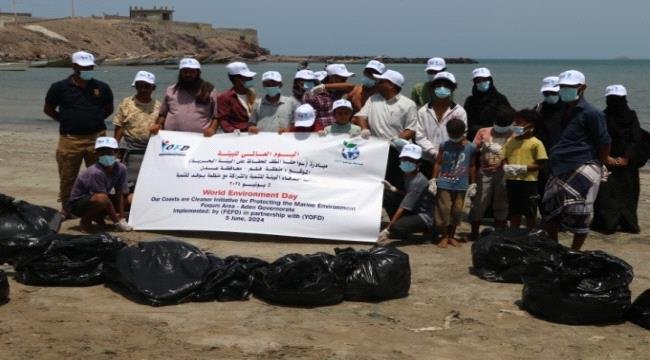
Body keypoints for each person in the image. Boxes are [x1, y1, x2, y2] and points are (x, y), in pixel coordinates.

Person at [542, 70, 615, 250]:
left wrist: (603, 161)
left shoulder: (592, 113)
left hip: (581, 164)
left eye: (570, 87)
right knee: (550, 210)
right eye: (563, 87)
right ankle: (554, 247)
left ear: (582, 88)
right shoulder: (560, 110)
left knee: (581, 212)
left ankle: (574, 251)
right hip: (558, 167)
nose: (565, 90)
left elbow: (604, 140)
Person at [44, 51, 114, 209]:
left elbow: (108, 109)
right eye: (83, 67)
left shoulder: (102, 87)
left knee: (99, 175)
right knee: (67, 177)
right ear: (74, 67)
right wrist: (67, 121)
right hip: (70, 139)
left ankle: (99, 207)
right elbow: (48, 109)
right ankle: (67, 208)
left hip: (97, 139)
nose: (87, 70)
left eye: (90, 67)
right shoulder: (59, 87)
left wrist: (93, 120)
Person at [591, 85, 645, 234]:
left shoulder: (631, 116)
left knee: (628, 193)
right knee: (605, 195)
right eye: (612, 99)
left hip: (627, 164)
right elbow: (599, 138)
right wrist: (605, 157)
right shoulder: (602, 117)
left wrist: (626, 157)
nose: (615, 102)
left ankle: (628, 223)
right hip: (606, 161)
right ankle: (607, 223)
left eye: (618, 99)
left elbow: (636, 138)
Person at [355, 69, 418, 189]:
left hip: (396, 151)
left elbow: (411, 129)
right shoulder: (373, 99)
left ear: (391, 85)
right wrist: (364, 129)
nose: (377, 83)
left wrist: (394, 141)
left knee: (395, 182)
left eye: (381, 81)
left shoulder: (408, 104)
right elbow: (361, 115)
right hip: (375, 149)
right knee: (375, 181)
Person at [65, 137, 132, 233]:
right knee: (102, 198)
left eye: (110, 152)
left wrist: (122, 219)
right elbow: (104, 199)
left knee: (130, 198)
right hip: (77, 204)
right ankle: (85, 221)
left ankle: (98, 217)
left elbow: (120, 193)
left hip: (97, 199)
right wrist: (117, 223)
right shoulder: (95, 172)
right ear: (96, 154)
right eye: (102, 152)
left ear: (117, 153)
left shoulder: (121, 168)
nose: (106, 155)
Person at [429, 119, 477, 247]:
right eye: (451, 135)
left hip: (461, 184)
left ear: (463, 132)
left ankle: (451, 236)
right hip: (445, 182)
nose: (454, 138)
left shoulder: (471, 147)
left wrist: (473, 183)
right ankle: (444, 236)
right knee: (444, 209)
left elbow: (472, 165)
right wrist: (433, 179)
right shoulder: (444, 145)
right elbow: (438, 162)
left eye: (456, 135)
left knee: (457, 211)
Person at [468, 106, 514, 240]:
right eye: (499, 123)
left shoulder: (513, 134)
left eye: (504, 124)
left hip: (504, 173)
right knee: (479, 202)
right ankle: (474, 232)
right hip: (484, 173)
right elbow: (473, 150)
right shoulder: (483, 132)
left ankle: (499, 233)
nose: (501, 127)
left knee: (502, 203)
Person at [113, 71, 159, 196]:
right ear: (135, 86)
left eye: (147, 86)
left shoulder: (159, 106)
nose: (143, 89)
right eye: (140, 86)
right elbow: (119, 127)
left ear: (153, 88)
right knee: (127, 182)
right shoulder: (126, 103)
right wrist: (115, 148)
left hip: (150, 150)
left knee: (148, 181)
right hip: (130, 148)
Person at [378, 144, 434, 243]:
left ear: (419, 163)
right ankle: (399, 229)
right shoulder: (407, 175)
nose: (406, 162)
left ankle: (427, 232)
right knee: (388, 195)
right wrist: (393, 189)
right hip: (414, 209)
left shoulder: (418, 181)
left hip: (424, 217)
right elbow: (408, 194)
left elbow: (403, 207)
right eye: (404, 159)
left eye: (411, 160)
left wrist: (388, 229)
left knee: (396, 226)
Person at [415, 71, 467, 177]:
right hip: (426, 161)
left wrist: (447, 154)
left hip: (451, 160)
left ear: (453, 89)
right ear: (432, 88)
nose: (442, 88)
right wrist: (434, 153)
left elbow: (463, 134)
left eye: (446, 85)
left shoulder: (460, 111)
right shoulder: (423, 111)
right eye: (438, 85)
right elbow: (420, 137)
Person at [502, 109, 548, 229]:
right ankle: (514, 234)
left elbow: (541, 163)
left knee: (529, 212)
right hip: (512, 180)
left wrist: (523, 168)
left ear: (530, 125)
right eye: (515, 122)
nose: (516, 125)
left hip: (528, 182)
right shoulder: (510, 141)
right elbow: (504, 157)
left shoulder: (536, 143)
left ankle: (529, 235)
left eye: (519, 122)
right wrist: (506, 166)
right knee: (514, 211)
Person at [151, 58, 218, 136]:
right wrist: (158, 125)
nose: (188, 74)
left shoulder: (209, 90)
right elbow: (162, 114)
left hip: (200, 139)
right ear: (180, 73)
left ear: (198, 72)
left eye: (192, 71)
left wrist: (212, 129)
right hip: (171, 139)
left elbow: (216, 117)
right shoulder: (171, 90)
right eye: (185, 71)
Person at [534, 76, 564, 210]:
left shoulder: (568, 109)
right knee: (542, 188)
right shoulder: (538, 109)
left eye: (553, 93)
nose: (550, 96)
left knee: (562, 189)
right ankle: (546, 218)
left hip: (562, 156)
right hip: (542, 156)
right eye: (547, 93)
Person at [317, 60, 386, 112]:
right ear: (363, 72)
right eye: (367, 72)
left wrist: (323, 86)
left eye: (373, 74)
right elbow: (349, 86)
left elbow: (349, 86)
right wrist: (322, 86)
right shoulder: (356, 90)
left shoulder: (384, 93)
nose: (346, 80)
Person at [464, 67, 512, 140]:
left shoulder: (500, 99)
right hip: (474, 139)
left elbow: (509, 117)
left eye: (485, 80)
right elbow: (466, 122)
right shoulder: (470, 101)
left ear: (490, 80)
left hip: (496, 139)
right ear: (475, 83)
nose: (482, 82)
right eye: (478, 81)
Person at [304, 64, 355, 128]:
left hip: (340, 130)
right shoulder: (314, 93)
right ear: (332, 77)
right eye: (343, 79)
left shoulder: (341, 91)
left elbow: (351, 86)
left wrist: (324, 86)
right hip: (320, 132)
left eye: (346, 79)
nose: (345, 81)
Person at [218, 61, 257, 133]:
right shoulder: (225, 98)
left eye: (251, 77)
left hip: (254, 133)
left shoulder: (252, 94)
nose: (251, 79)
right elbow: (223, 120)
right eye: (248, 78)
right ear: (237, 80)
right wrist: (233, 132)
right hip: (238, 136)